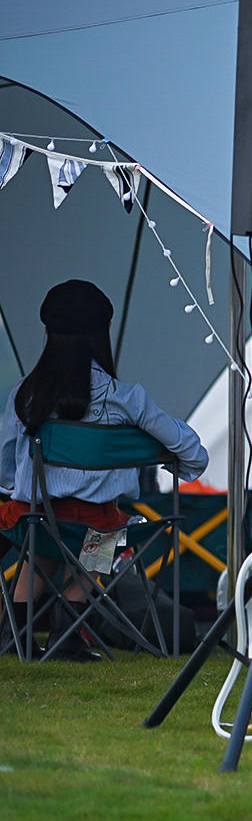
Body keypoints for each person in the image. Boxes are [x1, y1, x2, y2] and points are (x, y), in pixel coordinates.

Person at [0, 279, 208, 658]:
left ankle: (16, 634)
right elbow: (193, 453)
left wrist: (21, 485)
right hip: (95, 530)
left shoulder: (24, 395)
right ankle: (69, 628)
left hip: (32, 522)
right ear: (105, 331)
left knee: (41, 529)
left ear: (46, 331)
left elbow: (5, 464)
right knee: (106, 530)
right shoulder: (126, 399)